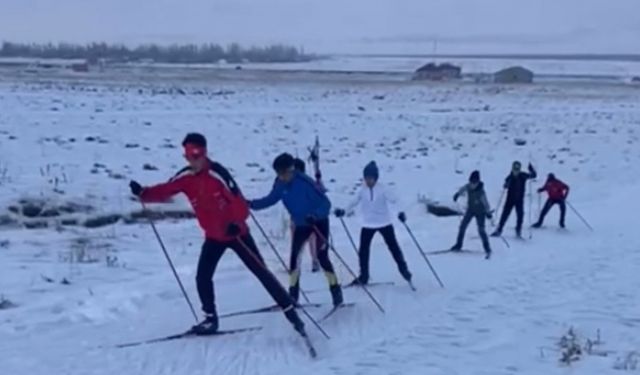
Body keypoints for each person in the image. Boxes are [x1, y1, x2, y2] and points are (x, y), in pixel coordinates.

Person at [128, 133, 305, 336]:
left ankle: (292, 315)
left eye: (196, 155)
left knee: (262, 272)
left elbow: (240, 204)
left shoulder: (218, 174)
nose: (192, 160)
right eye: (188, 156)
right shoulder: (185, 177)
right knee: (202, 277)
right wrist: (143, 193)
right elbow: (166, 189)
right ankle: (210, 320)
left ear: (204, 153)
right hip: (214, 236)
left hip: (237, 234)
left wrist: (236, 224)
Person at [248, 153, 343, 307]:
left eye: (284, 173)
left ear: (291, 170)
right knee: (294, 261)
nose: (281, 177)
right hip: (301, 225)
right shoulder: (280, 184)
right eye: (278, 173)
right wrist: (250, 204)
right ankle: (293, 296)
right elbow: (270, 199)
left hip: (318, 222)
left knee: (322, 257)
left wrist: (315, 215)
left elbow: (326, 203)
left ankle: (336, 291)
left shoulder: (305, 182)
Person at [334, 161, 412, 285]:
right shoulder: (362, 190)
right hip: (368, 224)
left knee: (394, 248)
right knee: (363, 250)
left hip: (384, 223)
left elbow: (395, 200)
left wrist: (401, 212)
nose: (368, 181)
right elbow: (353, 202)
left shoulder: (383, 189)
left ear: (376, 178)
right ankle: (364, 276)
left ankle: (404, 271)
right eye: (366, 178)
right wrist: (343, 211)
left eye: (370, 178)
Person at [451, 170, 492, 258]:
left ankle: (487, 248)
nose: (472, 185)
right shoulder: (468, 186)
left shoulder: (481, 192)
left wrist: (488, 213)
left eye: (474, 183)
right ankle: (458, 244)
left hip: (481, 212)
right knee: (462, 226)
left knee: (481, 230)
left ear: (477, 182)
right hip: (471, 210)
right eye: (471, 182)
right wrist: (457, 194)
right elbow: (462, 189)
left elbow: (486, 203)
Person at [491, 161, 537, 238]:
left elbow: (533, 175)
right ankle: (499, 230)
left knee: (520, 215)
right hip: (510, 200)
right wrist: (506, 185)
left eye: (517, 169)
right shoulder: (509, 177)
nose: (516, 171)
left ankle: (518, 230)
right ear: (512, 169)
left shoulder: (523, 175)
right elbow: (505, 185)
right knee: (504, 215)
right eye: (515, 169)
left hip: (519, 200)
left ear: (519, 169)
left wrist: (531, 169)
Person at [292, 158, 321, 273]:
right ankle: (295, 263)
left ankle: (315, 261)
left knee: (312, 240)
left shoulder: (308, 183)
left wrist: (318, 179)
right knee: (296, 242)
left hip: (309, 218)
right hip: (296, 218)